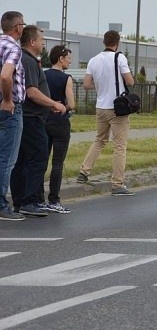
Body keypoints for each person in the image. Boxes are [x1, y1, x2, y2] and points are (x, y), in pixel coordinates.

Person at [11, 26, 67, 217]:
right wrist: (54, 104)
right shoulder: (27, 60)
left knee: (22, 160)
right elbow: (32, 91)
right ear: (32, 42)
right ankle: (30, 200)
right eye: (41, 39)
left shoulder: (25, 59)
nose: (43, 43)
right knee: (38, 158)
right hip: (31, 117)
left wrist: (49, 105)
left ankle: (20, 200)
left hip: (29, 116)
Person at [76, 30, 135, 196]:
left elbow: (87, 84)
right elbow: (129, 80)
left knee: (99, 140)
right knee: (119, 146)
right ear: (117, 43)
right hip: (117, 108)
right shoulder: (120, 58)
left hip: (100, 106)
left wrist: (101, 86)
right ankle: (117, 184)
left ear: (104, 42)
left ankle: (84, 172)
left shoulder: (94, 60)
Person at [37, 45, 76, 213]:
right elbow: (72, 104)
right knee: (58, 163)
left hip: (44, 120)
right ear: (60, 58)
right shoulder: (66, 78)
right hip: (60, 122)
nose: (70, 61)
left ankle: (38, 198)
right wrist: (63, 107)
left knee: (40, 161)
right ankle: (54, 199)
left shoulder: (43, 75)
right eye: (68, 58)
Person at [0, 11, 27, 221]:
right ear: (17, 27)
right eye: (23, 25)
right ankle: (1, 205)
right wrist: (8, 99)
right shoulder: (13, 48)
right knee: (7, 158)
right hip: (9, 109)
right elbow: (5, 75)